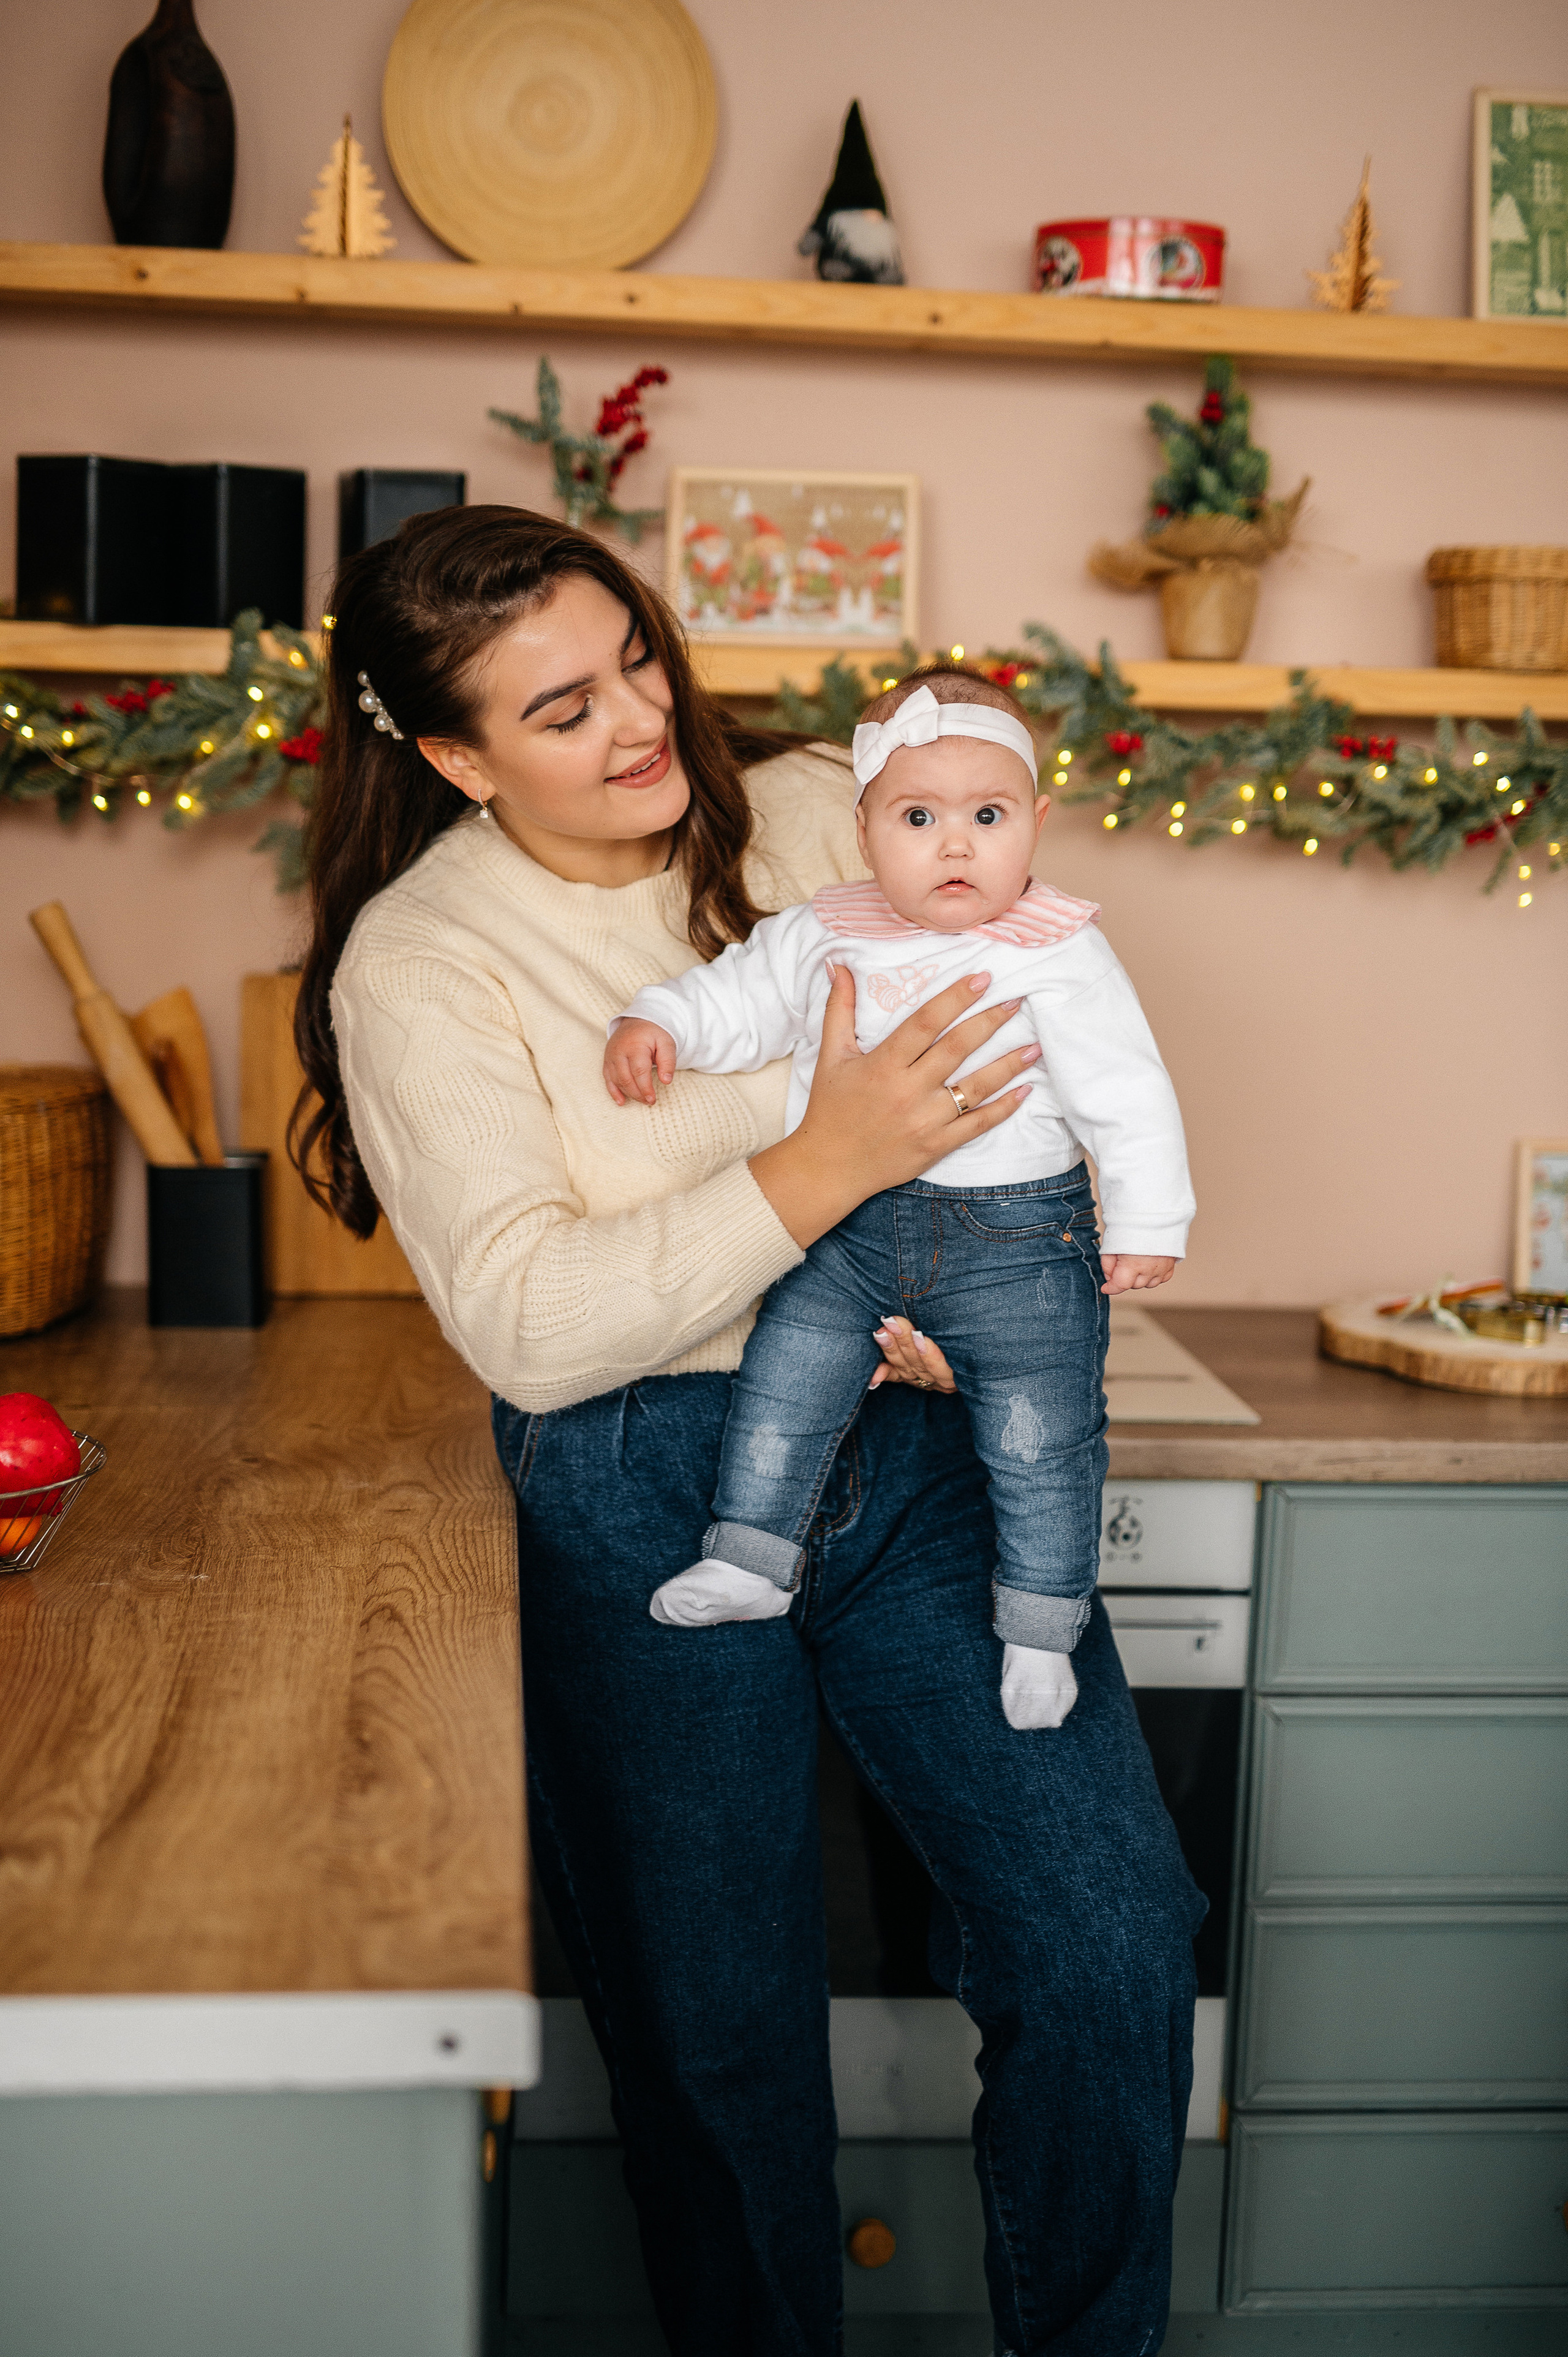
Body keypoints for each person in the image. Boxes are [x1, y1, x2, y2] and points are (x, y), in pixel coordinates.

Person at [296, 503, 1205, 2357]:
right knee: (718, 2046)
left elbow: (1034, 1033)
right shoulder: (421, 966)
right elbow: (533, 1324)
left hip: (918, 1449)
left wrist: (990, 1274)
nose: (638, 719)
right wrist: (823, 1164)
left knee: (1113, 1945)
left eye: (634, 654)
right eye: (561, 710)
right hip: (642, 1483)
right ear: (459, 758)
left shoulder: (812, 812)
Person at [605, 669, 1194, 1733]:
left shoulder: (1060, 948)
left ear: (1037, 826)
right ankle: (752, 1556)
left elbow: (1128, 1091)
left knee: (1040, 1433)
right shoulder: (825, 930)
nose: (956, 845)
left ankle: (1041, 1627)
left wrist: (1150, 1222)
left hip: (1018, 1237)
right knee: (785, 1379)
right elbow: (733, 997)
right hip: (849, 1229)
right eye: (919, 818)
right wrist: (660, 1024)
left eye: (988, 816)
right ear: (867, 830)